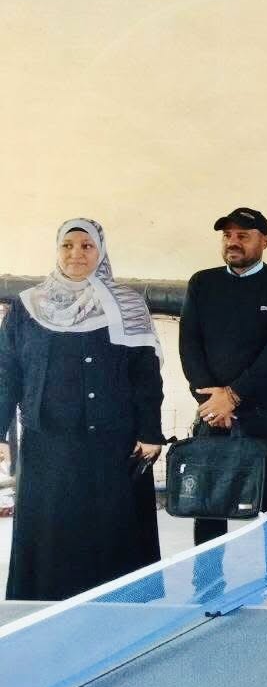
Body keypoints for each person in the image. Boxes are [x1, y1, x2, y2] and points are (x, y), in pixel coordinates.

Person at [0, 219, 164, 601]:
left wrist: (150, 432)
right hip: (48, 442)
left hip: (114, 442)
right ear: (57, 250)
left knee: (112, 529)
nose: (76, 253)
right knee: (51, 530)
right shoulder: (27, 306)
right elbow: (7, 373)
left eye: (87, 246)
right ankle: (46, 605)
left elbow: (145, 374)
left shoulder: (128, 305)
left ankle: (121, 608)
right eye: (68, 245)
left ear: (100, 252)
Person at [179, 207, 267, 604]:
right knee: (209, 502)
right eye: (228, 235)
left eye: (243, 235)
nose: (233, 242)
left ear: (265, 241)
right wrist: (211, 401)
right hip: (212, 413)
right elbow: (189, 345)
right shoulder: (202, 283)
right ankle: (208, 587)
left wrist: (233, 395)